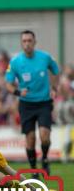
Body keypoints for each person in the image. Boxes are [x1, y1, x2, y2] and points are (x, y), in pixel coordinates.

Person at [5, 30, 59, 178]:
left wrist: (54, 88)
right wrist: (17, 92)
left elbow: (55, 71)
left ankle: (46, 159)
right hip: (26, 105)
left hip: (44, 103)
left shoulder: (45, 57)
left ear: (34, 42)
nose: (27, 44)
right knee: (30, 138)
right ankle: (34, 169)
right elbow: (8, 84)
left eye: (29, 40)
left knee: (44, 135)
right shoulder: (15, 62)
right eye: (24, 41)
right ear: (21, 43)